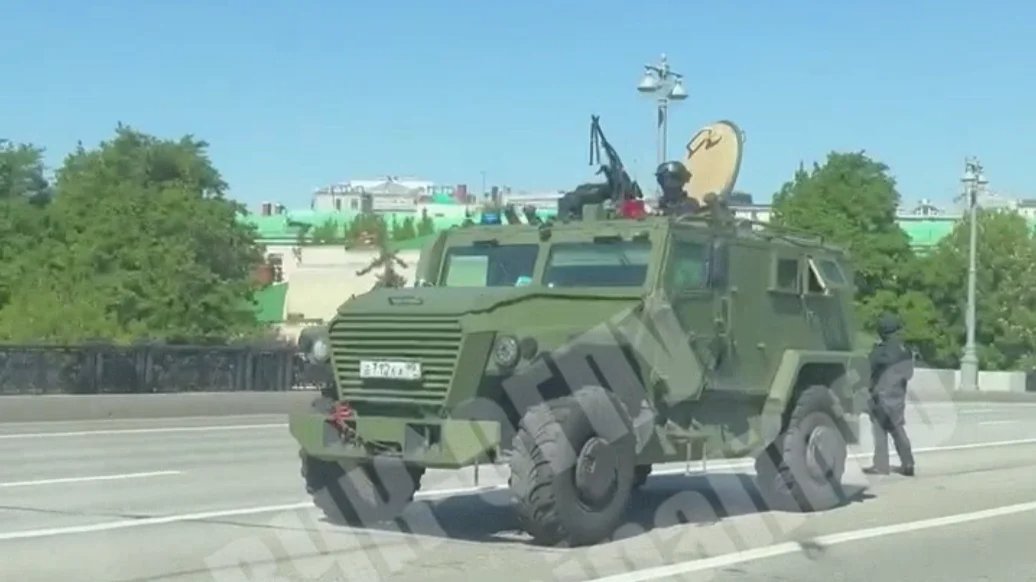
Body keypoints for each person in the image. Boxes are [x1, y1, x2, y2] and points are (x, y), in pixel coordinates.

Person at [864, 313, 916, 476]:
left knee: (879, 430)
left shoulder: (880, 350)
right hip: (898, 395)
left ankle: (881, 465)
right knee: (898, 428)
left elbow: (867, 369)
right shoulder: (905, 350)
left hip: (880, 396)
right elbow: (909, 374)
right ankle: (908, 463)